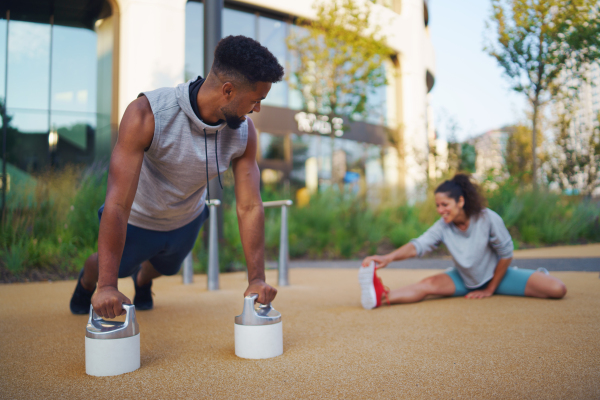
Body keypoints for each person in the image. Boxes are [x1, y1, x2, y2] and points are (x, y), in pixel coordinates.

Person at [70, 35, 284, 318]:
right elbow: (118, 203)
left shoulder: (244, 132)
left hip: (187, 218)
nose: (256, 109)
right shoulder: (147, 114)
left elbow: (249, 206)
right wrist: (106, 285)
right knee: (114, 268)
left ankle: (143, 281)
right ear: (228, 90)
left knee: (166, 269)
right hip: (139, 218)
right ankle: (87, 281)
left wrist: (257, 278)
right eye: (255, 100)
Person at [359, 174, 567, 309]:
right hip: (463, 279)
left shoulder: (487, 218)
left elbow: (506, 254)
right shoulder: (443, 225)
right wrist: (388, 258)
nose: (440, 210)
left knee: (557, 290)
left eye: (445, 204)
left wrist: (489, 289)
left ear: (460, 201)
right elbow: (418, 245)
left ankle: (535, 276)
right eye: (437, 205)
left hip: (499, 277)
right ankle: (381, 296)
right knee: (427, 285)